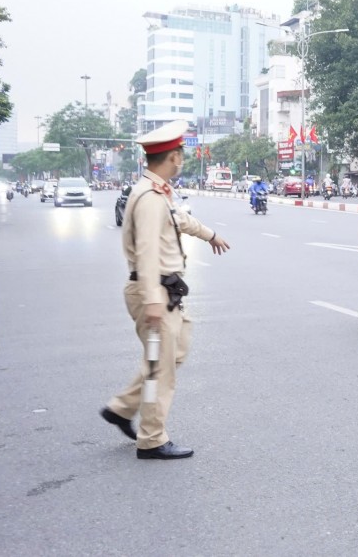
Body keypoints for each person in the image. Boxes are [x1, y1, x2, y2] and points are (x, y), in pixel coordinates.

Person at [101, 120, 231, 461]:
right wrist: (154, 299)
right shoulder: (148, 197)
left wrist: (210, 234)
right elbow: (145, 251)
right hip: (155, 291)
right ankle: (152, 438)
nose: (183, 160)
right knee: (162, 368)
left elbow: (180, 220)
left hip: (166, 291)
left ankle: (121, 408)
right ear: (172, 157)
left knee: (171, 355)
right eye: (181, 155)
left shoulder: (159, 191)